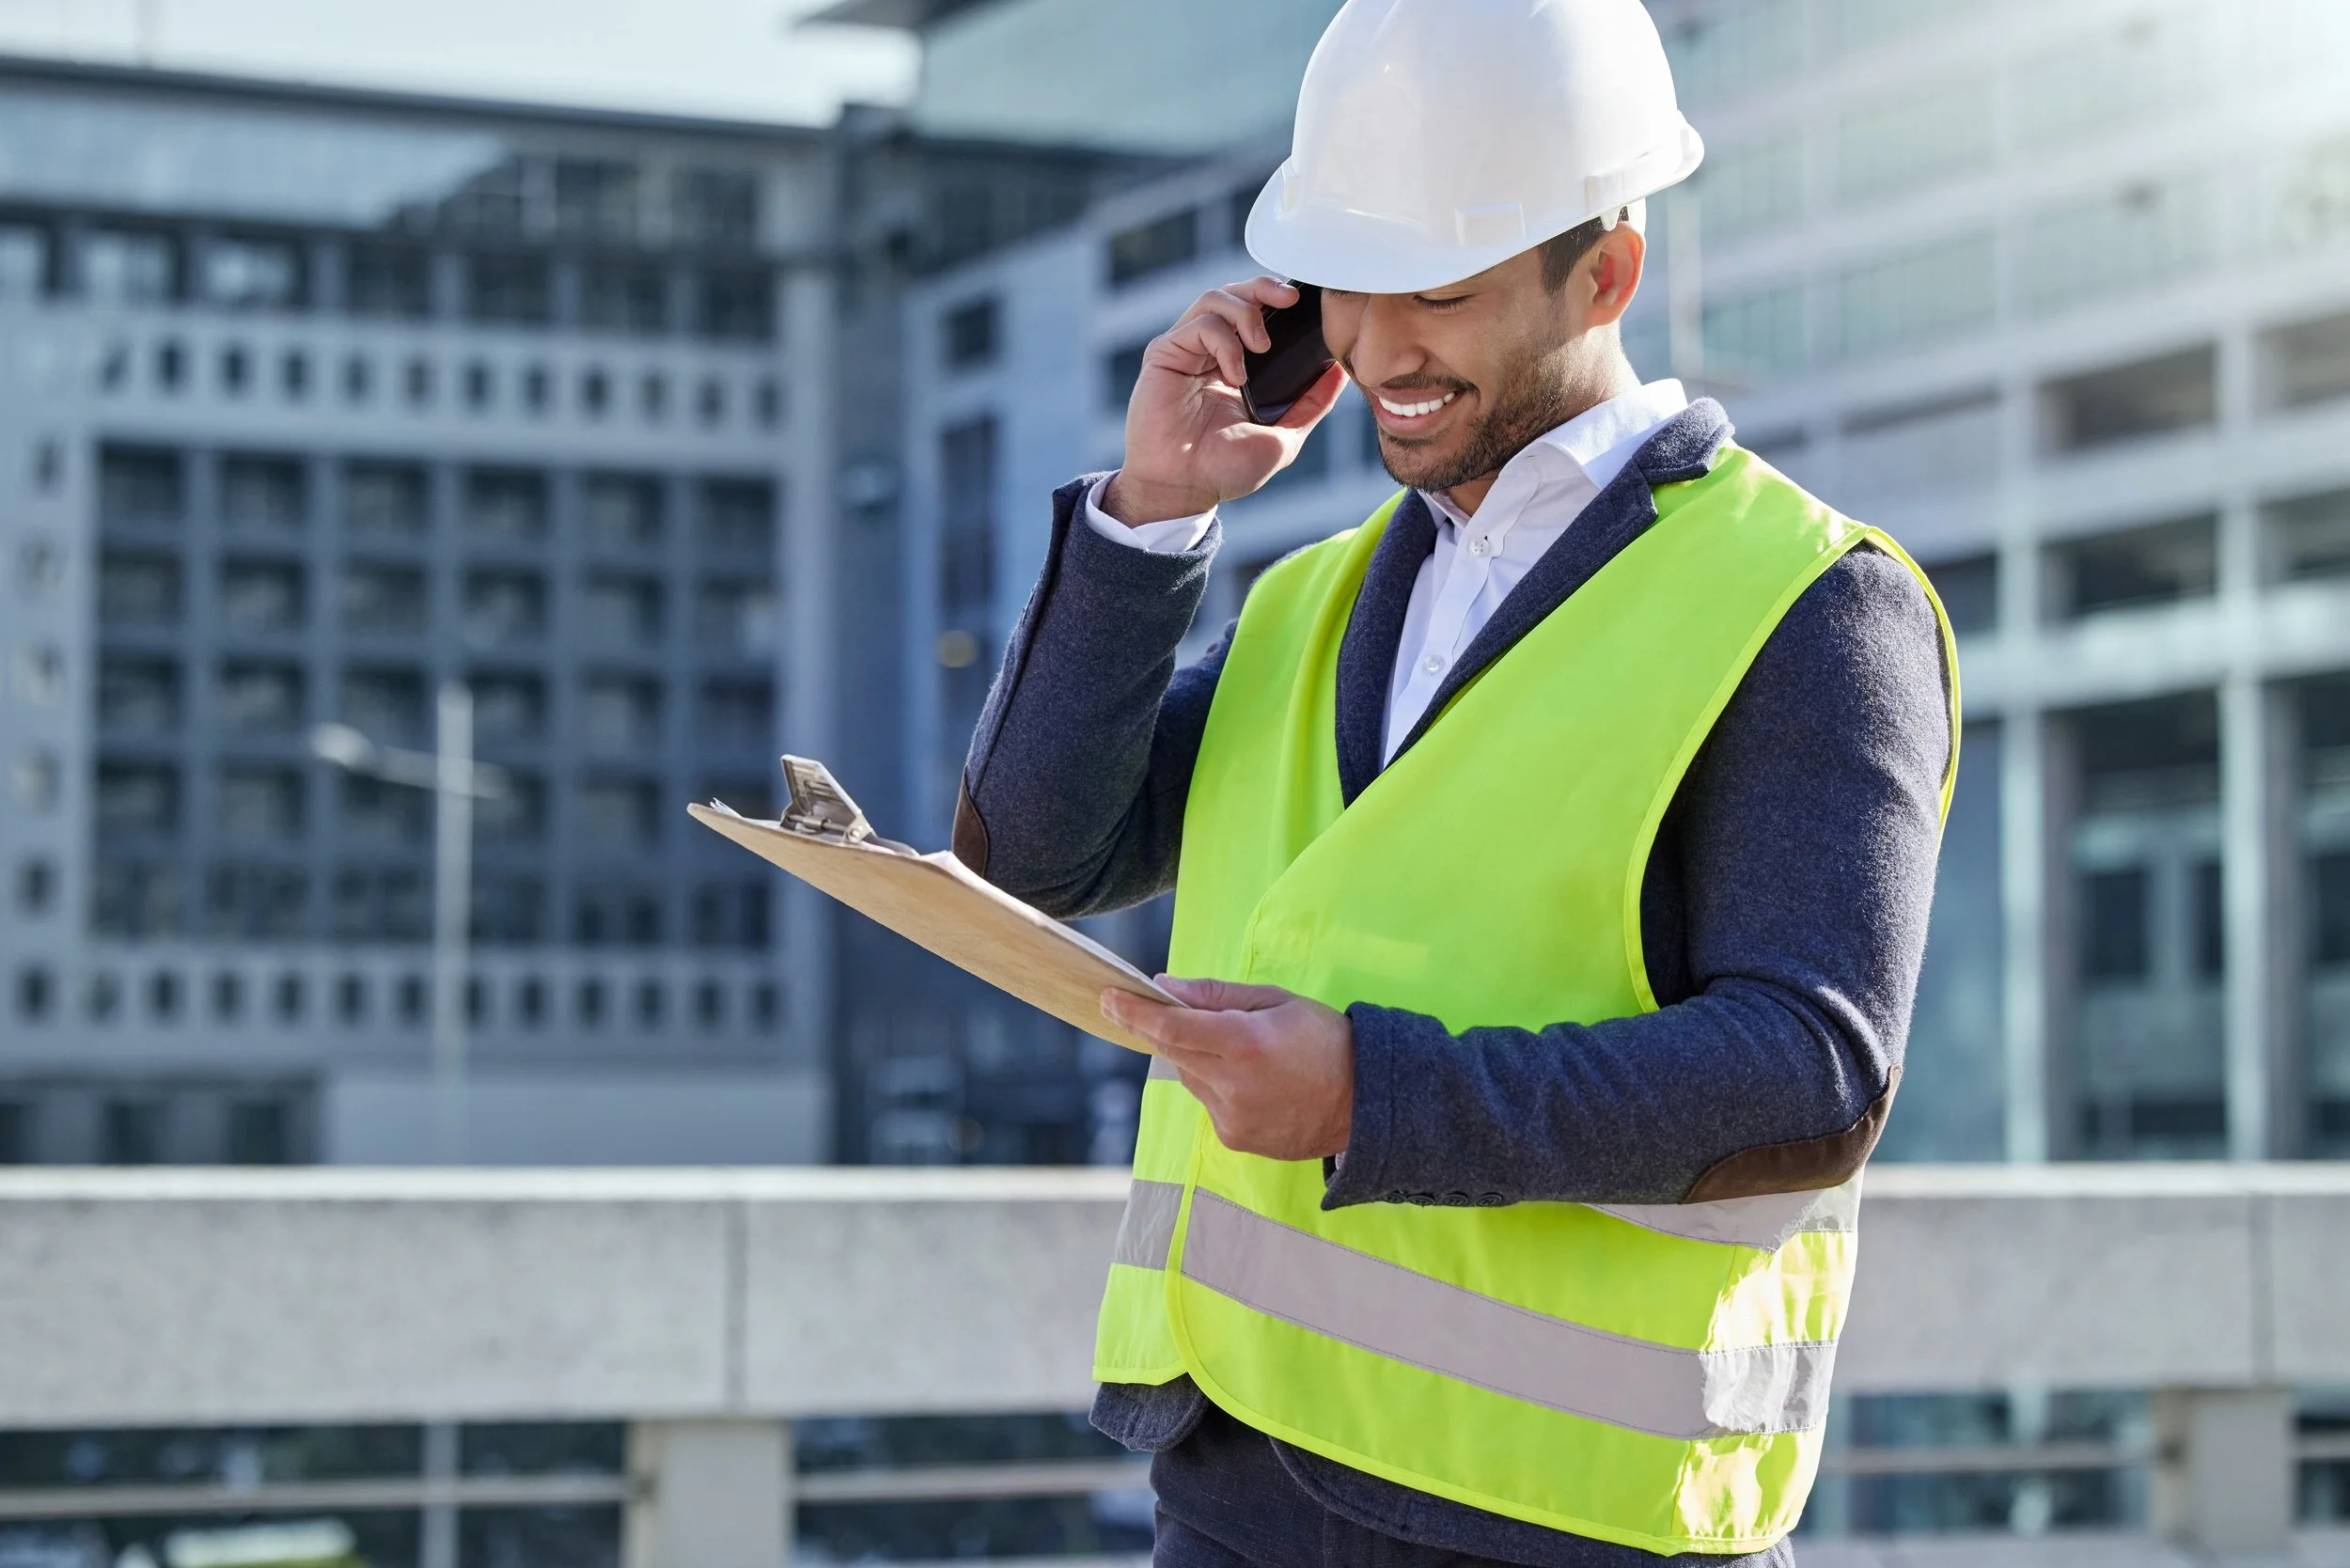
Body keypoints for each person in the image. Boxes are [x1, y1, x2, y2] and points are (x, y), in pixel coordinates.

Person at [950, 1, 1958, 1561]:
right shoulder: (1312, 601)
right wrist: (1150, 516)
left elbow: (1810, 1077)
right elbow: (1031, 851)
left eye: (1441, 293)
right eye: (1349, 287)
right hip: (1237, 1476)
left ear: (1605, 271)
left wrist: (1374, 1094)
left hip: (1560, 1519)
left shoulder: (1809, 604)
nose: (1378, 348)